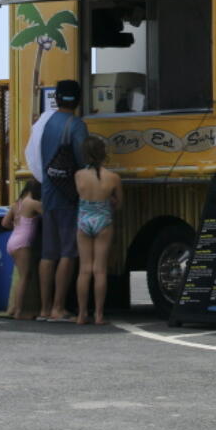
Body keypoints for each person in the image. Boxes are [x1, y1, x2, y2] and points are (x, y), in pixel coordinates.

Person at [36, 79, 88, 321]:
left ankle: (45, 308)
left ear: (56, 98)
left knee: (48, 254)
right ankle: (58, 307)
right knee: (68, 252)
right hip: (68, 195)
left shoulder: (47, 123)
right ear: (78, 100)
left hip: (48, 193)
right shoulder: (76, 125)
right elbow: (82, 159)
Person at [73, 136, 121, 325]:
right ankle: (99, 315)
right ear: (104, 154)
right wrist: (111, 201)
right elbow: (119, 204)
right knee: (100, 270)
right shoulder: (113, 178)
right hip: (103, 220)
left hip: (84, 220)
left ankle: (81, 314)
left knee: (84, 270)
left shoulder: (78, 175)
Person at [1, 180, 41, 321]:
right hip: (23, 243)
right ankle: (19, 312)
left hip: (12, 241)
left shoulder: (16, 203)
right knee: (25, 277)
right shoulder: (32, 203)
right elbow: (48, 214)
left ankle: (13, 308)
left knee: (21, 275)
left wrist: (18, 229)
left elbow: (4, 223)